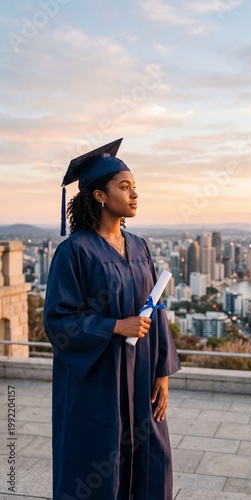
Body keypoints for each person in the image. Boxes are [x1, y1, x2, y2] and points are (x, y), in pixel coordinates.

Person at [43, 138, 181, 500]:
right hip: (99, 381)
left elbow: (156, 308)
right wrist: (114, 327)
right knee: (99, 462)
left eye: (135, 187)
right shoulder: (74, 251)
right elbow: (58, 321)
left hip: (142, 373)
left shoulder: (139, 246)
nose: (134, 194)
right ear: (99, 196)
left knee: (152, 460)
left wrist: (163, 373)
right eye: (124, 186)